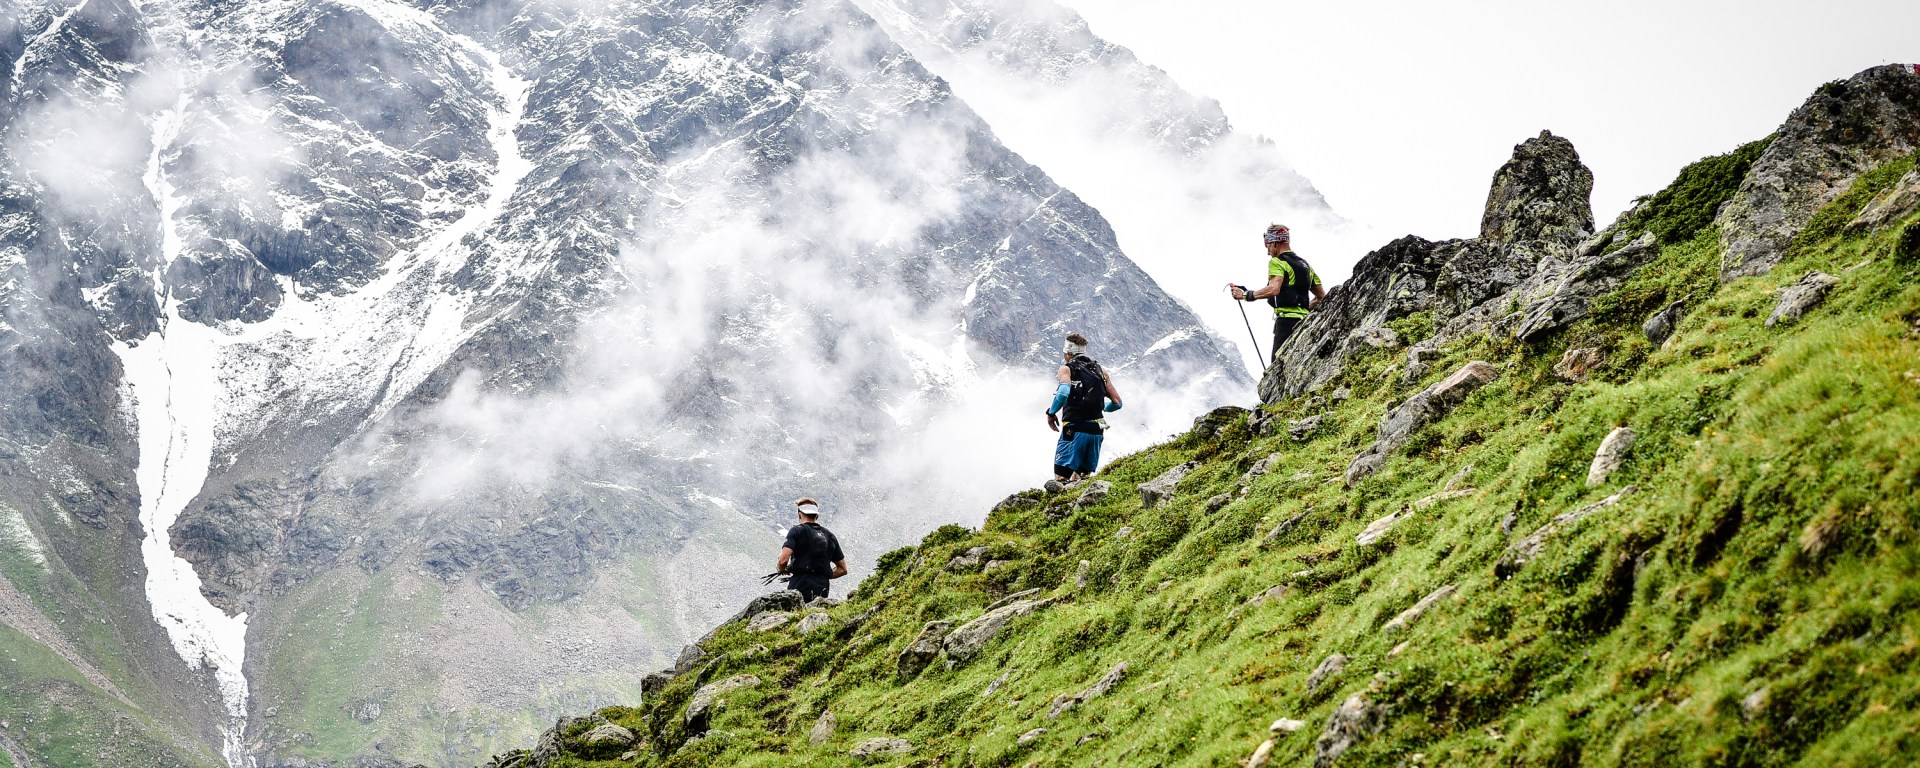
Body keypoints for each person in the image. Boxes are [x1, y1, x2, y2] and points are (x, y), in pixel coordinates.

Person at [1229, 224, 1326, 365]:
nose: (1268, 251)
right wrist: (1303, 310)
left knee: (1278, 370)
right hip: (1305, 323)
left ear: (1274, 243)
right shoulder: (1305, 265)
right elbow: (1322, 297)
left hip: (1285, 324)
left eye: (1267, 245)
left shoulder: (1277, 262)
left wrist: (1246, 295)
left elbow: (1274, 289)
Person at [1044, 333, 1122, 491]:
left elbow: (1063, 393)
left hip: (1074, 429)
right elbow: (1117, 403)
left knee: (1060, 480)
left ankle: (1057, 511)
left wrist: (1051, 413)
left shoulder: (1066, 369)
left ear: (1069, 352)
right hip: (1097, 431)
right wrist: (1101, 407)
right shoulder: (1101, 370)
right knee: (1082, 482)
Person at [775, 497, 847, 602]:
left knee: (797, 615)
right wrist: (823, 574)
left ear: (799, 514)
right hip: (822, 587)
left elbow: (783, 560)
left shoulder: (797, 531)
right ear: (816, 515)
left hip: (799, 584)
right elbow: (843, 569)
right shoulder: (830, 536)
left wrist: (781, 569)